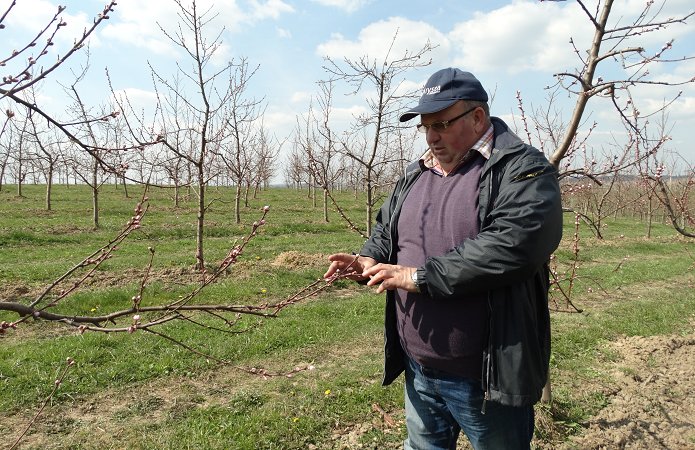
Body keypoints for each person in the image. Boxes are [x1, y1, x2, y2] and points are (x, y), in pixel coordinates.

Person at [323, 68, 563, 450]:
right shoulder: (417, 172)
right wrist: (367, 259)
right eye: (425, 127)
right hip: (419, 369)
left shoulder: (522, 169)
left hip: (486, 380)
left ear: (478, 117)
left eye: (441, 124)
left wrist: (418, 277)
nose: (431, 136)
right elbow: (388, 229)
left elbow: (515, 245)